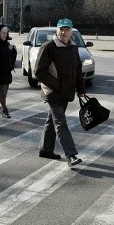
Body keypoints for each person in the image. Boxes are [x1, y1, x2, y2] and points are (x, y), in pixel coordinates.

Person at [35, 18, 86, 168]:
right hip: (53, 92)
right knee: (60, 122)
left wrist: (81, 89)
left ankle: (46, 149)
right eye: (61, 29)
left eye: (67, 30)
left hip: (66, 91)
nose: (64, 32)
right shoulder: (48, 47)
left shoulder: (73, 48)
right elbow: (39, 71)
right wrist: (57, 85)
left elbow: (78, 70)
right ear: (57, 31)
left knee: (52, 121)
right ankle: (71, 155)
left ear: (71, 32)